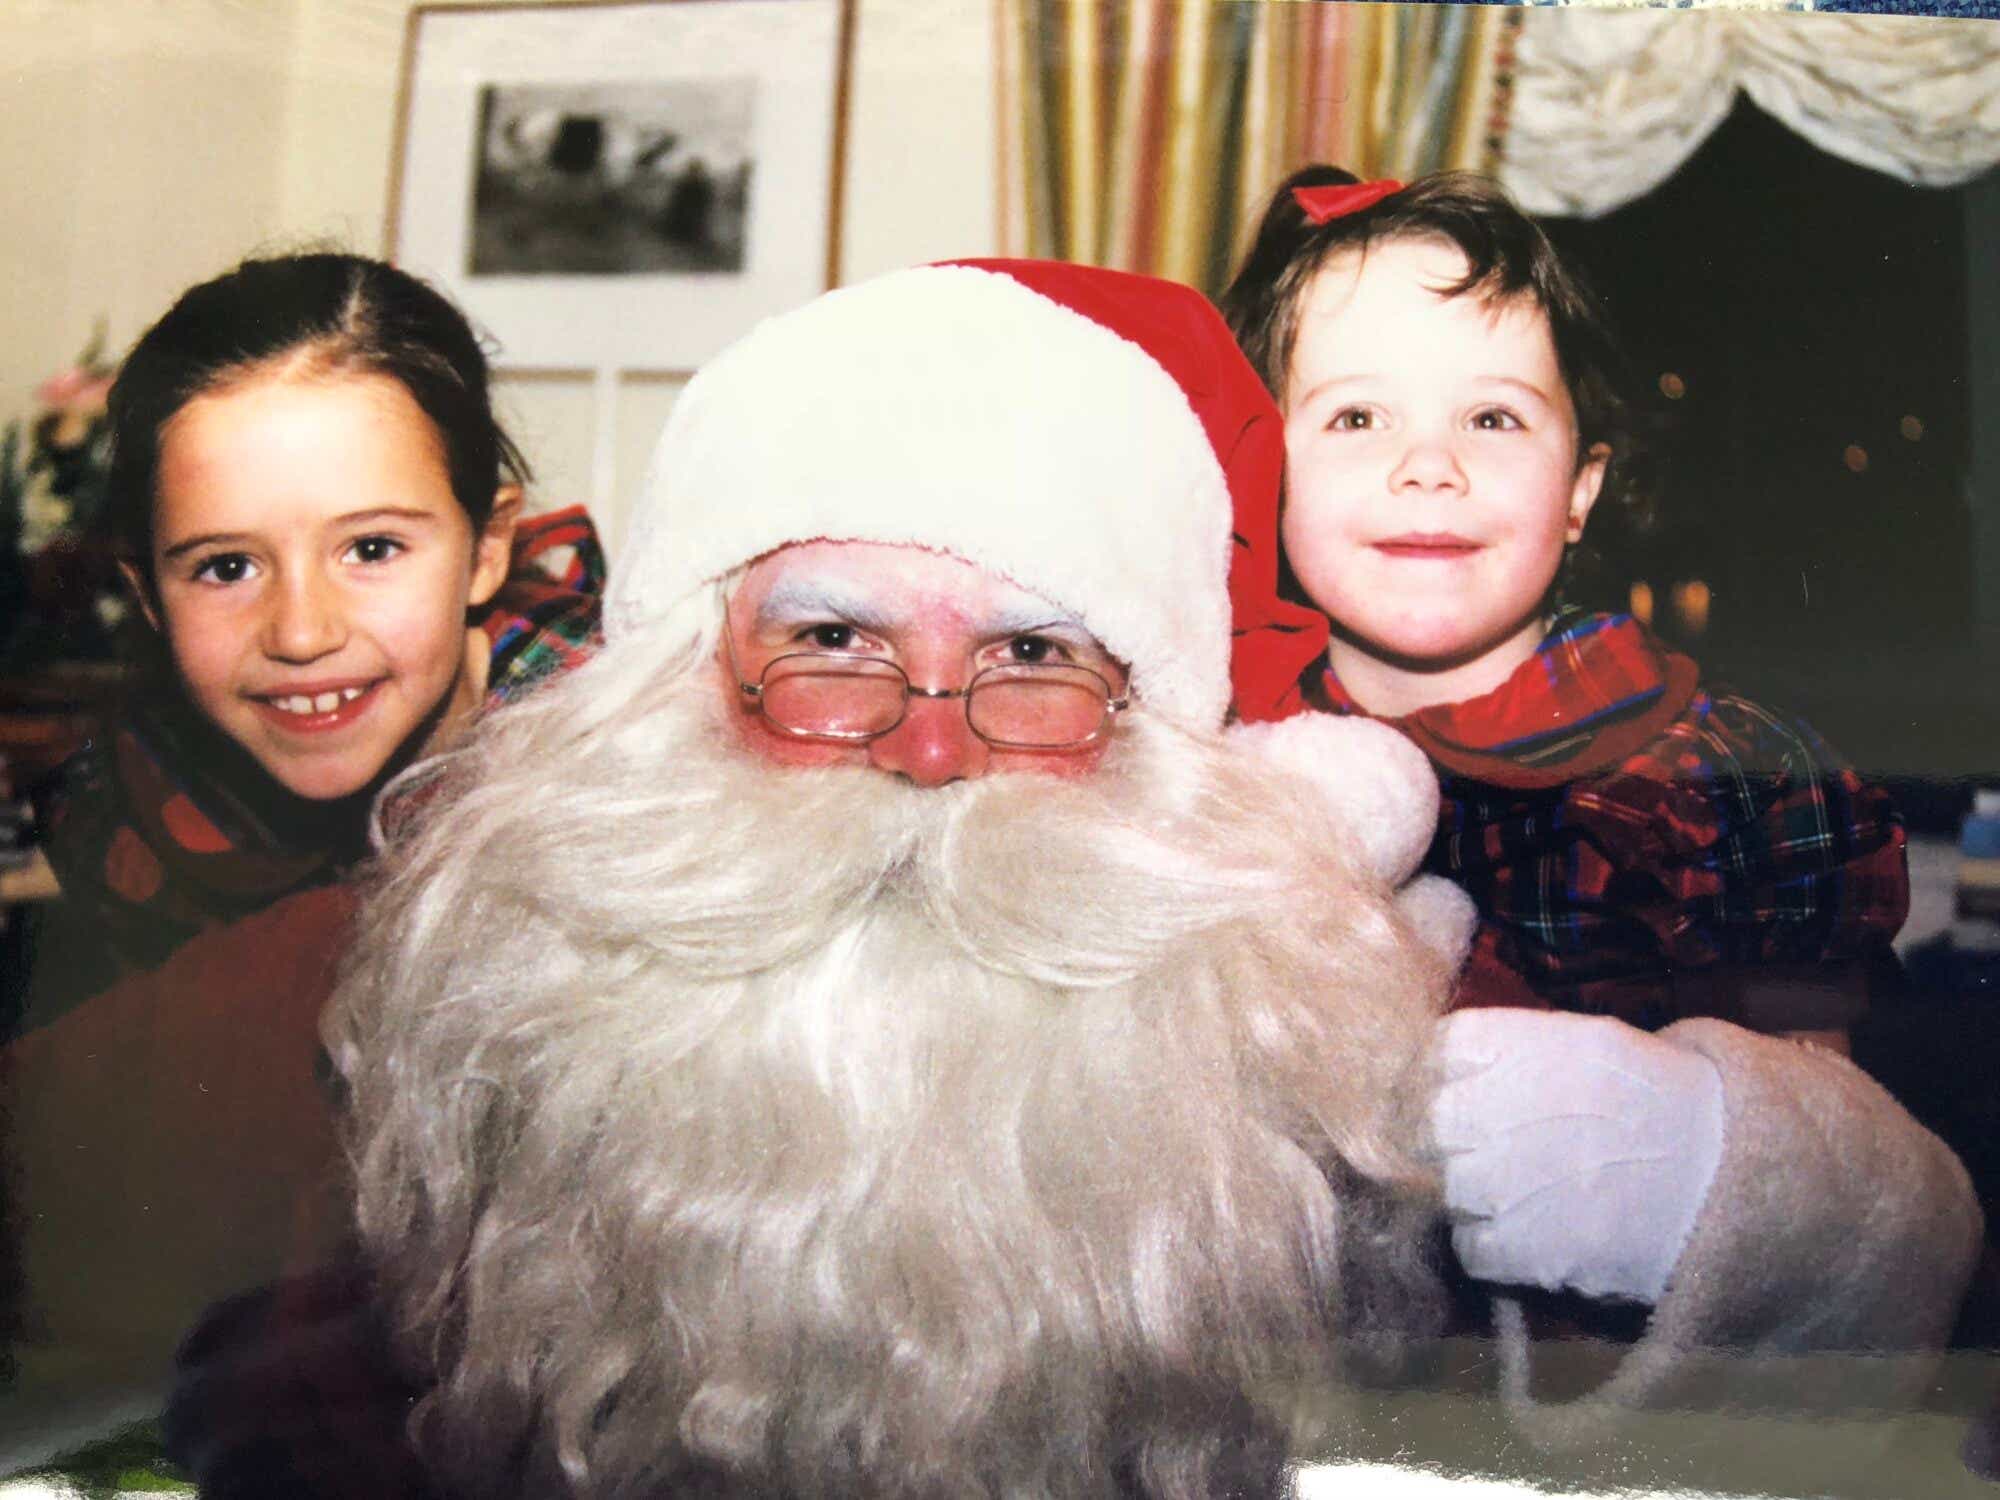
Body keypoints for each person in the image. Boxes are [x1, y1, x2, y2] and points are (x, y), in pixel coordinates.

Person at [324, 261, 1977, 1500]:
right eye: (833, 640)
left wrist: (1718, 1183)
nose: (928, 745)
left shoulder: (1263, 1084)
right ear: (684, 684)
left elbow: (1873, 1335)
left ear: (1150, 740)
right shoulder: (491, 1059)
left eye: (1034, 654)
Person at [1217, 168, 1909, 1038]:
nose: (1431, 465)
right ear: (1261, 475)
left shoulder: (1730, 779)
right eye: (1357, 418)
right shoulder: (1209, 763)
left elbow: (1817, 1130)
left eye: (1492, 419)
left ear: (1580, 491)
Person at [15, 252, 603, 1036]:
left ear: (486, 548)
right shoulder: (126, 816)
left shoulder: (620, 777)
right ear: (148, 597)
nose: (300, 633)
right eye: (227, 567)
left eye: (371, 550)